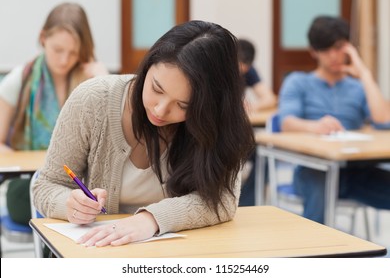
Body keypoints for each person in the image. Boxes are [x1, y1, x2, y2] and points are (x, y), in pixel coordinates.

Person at [33, 20, 255, 246]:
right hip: (99, 252)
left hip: (179, 254)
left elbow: (222, 201)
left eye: (184, 105)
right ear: (148, 65)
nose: (160, 109)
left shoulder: (220, 122)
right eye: (156, 89)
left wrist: (151, 220)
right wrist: (70, 205)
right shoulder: (93, 99)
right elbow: (46, 186)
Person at [0, 2, 108, 226]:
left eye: (73, 53)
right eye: (58, 50)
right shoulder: (19, 80)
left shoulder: (92, 81)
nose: (63, 60)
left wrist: (103, 81)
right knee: (27, 201)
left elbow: (110, 140)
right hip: (31, 181)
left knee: (94, 205)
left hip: (85, 184)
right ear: (43, 39)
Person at [278, 16, 390, 224]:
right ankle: (315, 254)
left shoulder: (357, 87)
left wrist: (363, 72)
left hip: (355, 171)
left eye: (339, 48)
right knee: (320, 184)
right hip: (314, 168)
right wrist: (315, 126)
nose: (333, 56)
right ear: (314, 52)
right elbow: (286, 122)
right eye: (326, 50)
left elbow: (382, 119)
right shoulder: (298, 82)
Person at [237, 39, 276, 206]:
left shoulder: (248, 71)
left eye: (247, 65)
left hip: (237, 133)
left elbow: (270, 98)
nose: (243, 69)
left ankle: (246, 204)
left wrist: (252, 106)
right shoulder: (216, 70)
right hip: (215, 136)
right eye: (240, 64)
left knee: (265, 155)